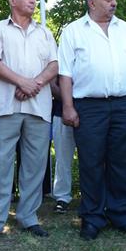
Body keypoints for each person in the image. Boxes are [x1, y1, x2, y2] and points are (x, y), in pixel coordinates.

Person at [58, 0, 126, 241]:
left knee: (121, 162)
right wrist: (67, 106)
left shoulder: (124, 28)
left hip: (122, 104)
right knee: (91, 163)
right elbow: (65, 73)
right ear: (92, 2)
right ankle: (92, 217)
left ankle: (121, 215)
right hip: (89, 107)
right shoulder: (73, 31)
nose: (114, 3)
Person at [0, 0, 58, 241]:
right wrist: (23, 82)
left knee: (35, 166)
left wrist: (33, 84)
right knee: (2, 164)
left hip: (38, 107)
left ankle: (28, 217)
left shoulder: (45, 33)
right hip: (6, 106)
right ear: (12, 1)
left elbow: (54, 65)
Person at [50, 78, 76, 214]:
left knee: (94, 158)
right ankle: (62, 197)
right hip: (61, 112)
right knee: (63, 157)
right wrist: (69, 101)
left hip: (91, 111)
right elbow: (52, 84)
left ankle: (93, 196)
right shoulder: (57, 56)